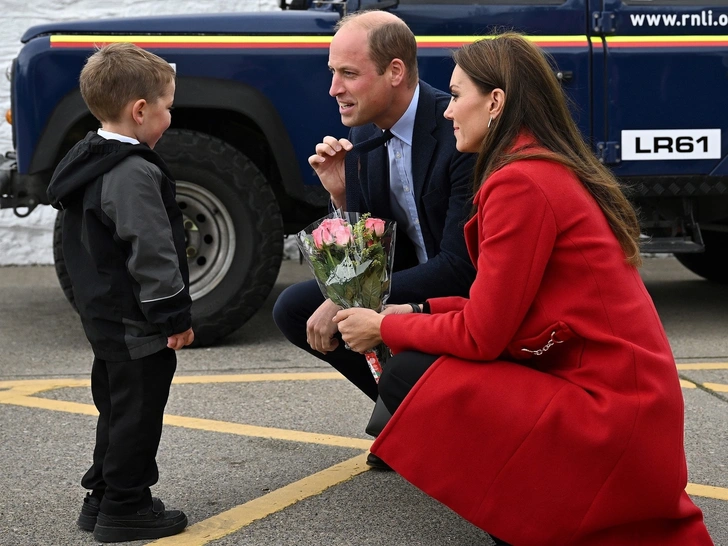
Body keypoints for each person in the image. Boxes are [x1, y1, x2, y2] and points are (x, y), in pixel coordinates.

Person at [333, 33, 714, 545]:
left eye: (456, 95)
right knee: (420, 362)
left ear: (495, 103)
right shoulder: (537, 166)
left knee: (410, 373)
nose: (447, 113)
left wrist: (386, 324)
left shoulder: (520, 182)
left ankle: (527, 520)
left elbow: (484, 335)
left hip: (608, 413)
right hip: (624, 402)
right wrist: (419, 308)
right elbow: (503, 304)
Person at [272, 11, 476, 465]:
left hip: (464, 292)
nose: (334, 89)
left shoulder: (456, 131)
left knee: (338, 311)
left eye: (348, 74)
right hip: (405, 278)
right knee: (295, 309)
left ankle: (434, 427)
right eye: (333, 73)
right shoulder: (363, 130)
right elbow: (370, 242)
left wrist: (352, 299)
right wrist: (340, 197)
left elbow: (461, 265)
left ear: (395, 71)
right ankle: (408, 419)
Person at [46, 43, 193, 543]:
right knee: (137, 414)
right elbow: (151, 252)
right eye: (168, 107)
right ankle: (127, 508)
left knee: (117, 409)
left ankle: (102, 498)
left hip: (105, 317)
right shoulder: (131, 172)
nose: (170, 116)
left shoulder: (89, 159)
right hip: (137, 324)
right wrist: (174, 316)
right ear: (140, 110)